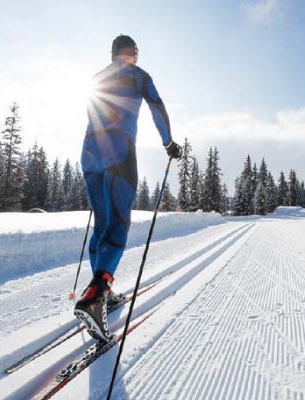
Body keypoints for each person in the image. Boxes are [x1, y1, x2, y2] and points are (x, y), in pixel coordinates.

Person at [74, 34, 182, 341]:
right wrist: (168, 143)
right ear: (133, 53)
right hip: (118, 154)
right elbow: (157, 107)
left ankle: (101, 289)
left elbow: (92, 111)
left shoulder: (98, 77)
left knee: (102, 222)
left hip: (89, 154)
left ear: (112, 54)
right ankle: (96, 296)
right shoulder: (139, 76)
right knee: (118, 223)